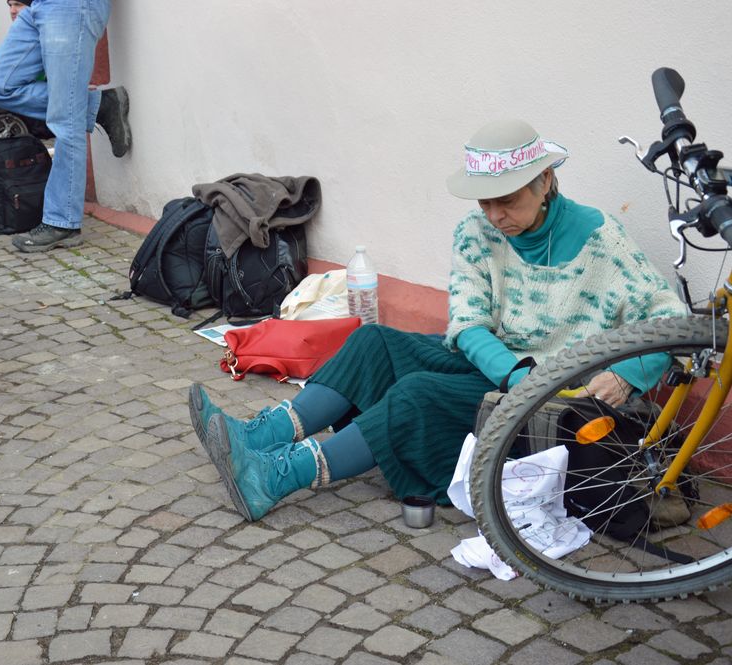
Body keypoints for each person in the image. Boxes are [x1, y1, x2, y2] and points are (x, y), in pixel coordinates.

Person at [189, 119, 687, 522]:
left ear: (546, 182)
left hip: (555, 396)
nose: (494, 215)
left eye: (507, 200)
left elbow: (670, 320)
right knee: (374, 342)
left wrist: (627, 375)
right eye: (485, 201)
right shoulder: (475, 231)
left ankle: (275, 478)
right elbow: (468, 324)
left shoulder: (600, 238)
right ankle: (258, 438)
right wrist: (514, 374)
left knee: (416, 395)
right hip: (506, 371)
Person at [0, 0, 132, 253]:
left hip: (70, 6)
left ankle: (63, 223)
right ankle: (99, 104)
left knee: (65, 120)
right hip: (38, 5)